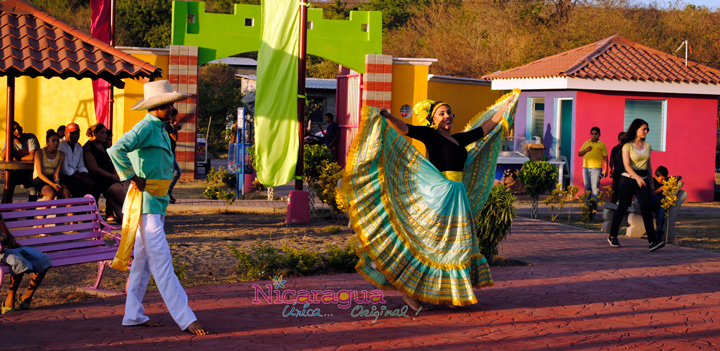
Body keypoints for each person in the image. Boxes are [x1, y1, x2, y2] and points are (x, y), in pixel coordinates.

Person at [342, 91, 518, 311]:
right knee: (430, 245)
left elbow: (485, 128)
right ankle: (408, 292)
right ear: (433, 119)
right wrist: (387, 116)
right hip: (439, 194)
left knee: (457, 246)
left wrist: (508, 104)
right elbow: (406, 129)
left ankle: (452, 293)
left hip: (457, 196)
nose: (447, 116)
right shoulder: (430, 135)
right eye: (441, 113)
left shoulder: (459, 139)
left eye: (449, 113)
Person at [108, 80, 207, 335]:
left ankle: (133, 314)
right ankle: (186, 318)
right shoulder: (145, 127)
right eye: (170, 105)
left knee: (142, 262)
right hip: (146, 203)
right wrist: (131, 175)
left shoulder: (161, 128)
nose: (174, 109)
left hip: (155, 203)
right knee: (162, 261)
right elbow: (116, 149)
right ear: (159, 106)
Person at [607, 119, 664, 252]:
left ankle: (652, 241)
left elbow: (649, 166)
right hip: (628, 180)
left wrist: (651, 183)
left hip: (643, 180)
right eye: (643, 129)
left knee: (646, 208)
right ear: (636, 129)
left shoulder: (648, 146)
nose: (646, 131)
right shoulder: (627, 146)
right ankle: (612, 235)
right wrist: (637, 177)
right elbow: (627, 166)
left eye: (647, 129)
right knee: (622, 207)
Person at [0, 214, 51, 314]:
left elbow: (6, 231)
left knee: (43, 260)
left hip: (13, 247)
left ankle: (27, 297)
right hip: (2, 252)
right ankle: (10, 298)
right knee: (20, 263)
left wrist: (10, 238)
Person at [83, 123, 124, 223]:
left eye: (105, 133)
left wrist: (116, 174)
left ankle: (128, 222)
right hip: (98, 179)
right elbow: (93, 167)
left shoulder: (104, 145)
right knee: (120, 193)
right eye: (102, 133)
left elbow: (111, 161)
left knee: (115, 203)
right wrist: (111, 176)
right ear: (94, 133)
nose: (105, 135)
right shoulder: (88, 147)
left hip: (109, 177)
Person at [1, 121, 39, 202]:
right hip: (17, 171)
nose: (17, 131)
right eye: (14, 130)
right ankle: (5, 207)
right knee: (9, 182)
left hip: (30, 171)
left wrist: (17, 159)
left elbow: (32, 156)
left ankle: (31, 213)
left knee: (33, 186)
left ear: (22, 128)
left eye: (18, 128)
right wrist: (9, 141)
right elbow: (3, 156)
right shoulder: (9, 141)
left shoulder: (30, 138)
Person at [33, 129, 70, 201]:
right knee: (51, 193)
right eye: (53, 141)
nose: (56, 143)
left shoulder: (61, 154)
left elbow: (57, 172)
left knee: (65, 192)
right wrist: (52, 185)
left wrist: (57, 182)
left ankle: (70, 212)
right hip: (41, 178)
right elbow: (40, 174)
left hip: (52, 177)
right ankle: (44, 212)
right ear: (47, 142)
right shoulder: (39, 153)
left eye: (57, 141)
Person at [59, 123, 93, 197]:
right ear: (66, 133)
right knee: (79, 186)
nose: (76, 136)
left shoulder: (79, 146)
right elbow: (65, 170)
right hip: (63, 176)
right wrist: (83, 178)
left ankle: (90, 206)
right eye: (73, 133)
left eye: (77, 133)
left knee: (94, 184)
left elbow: (81, 166)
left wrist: (86, 177)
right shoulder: (60, 145)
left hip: (75, 174)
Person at [577, 126, 608, 201]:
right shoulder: (586, 143)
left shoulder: (601, 144)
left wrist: (606, 169)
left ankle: (594, 206)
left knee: (595, 188)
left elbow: (605, 157)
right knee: (587, 187)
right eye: (592, 134)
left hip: (596, 169)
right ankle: (587, 206)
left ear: (599, 135)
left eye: (596, 134)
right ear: (590, 135)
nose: (594, 135)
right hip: (586, 168)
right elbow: (579, 154)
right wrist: (586, 150)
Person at [163, 107, 181, 204]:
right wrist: (175, 128)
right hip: (169, 153)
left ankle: (167, 192)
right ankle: (167, 192)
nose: (175, 118)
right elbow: (175, 137)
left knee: (174, 173)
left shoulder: (167, 125)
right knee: (176, 172)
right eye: (174, 116)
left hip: (170, 153)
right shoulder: (167, 126)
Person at [609, 132, 625, 203]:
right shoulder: (615, 149)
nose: (623, 140)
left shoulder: (629, 149)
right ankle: (613, 207)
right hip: (617, 172)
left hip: (626, 173)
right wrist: (610, 171)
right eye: (621, 139)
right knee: (615, 191)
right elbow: (611, 160)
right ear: (618, 139)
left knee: (624, 191)